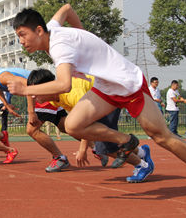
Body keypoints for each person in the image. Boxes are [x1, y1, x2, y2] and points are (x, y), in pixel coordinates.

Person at [8, 5, 186, 198]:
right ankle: (126, 141)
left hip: (127, 84)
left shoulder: (59, 47)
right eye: (18, 36)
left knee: (160, 136)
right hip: (105, 87)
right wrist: (83, 37)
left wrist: (26, 89)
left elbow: (64, 84)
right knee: (73, 125)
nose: (21, 41)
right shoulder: (52, 27)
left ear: (38, 30)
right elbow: (67, 9)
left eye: (22, 35)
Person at [27, 69, 155, 183]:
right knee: (102, 144)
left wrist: (83, 149)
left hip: (110, 95)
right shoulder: (54, 98)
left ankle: (142, 165)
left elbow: (85, 121)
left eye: (35, 92)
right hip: (102, 99)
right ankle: (142, 152)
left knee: (106, 146)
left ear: (47, 87)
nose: (33, 97)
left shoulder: (72, 93)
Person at [0, 59, 70, 172]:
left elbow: (29, 85)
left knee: (32, 130)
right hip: (42, 94)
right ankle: (91, 138)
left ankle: (59, 157)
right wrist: (7, 104)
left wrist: (31, 112)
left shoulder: (4, 77)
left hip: (42, 94)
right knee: (67, 127)